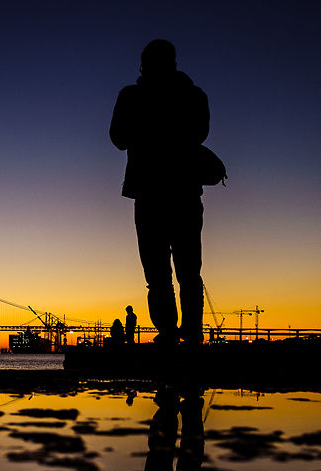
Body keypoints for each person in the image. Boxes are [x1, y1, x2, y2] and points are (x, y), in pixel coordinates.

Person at [110, 39, 209, 346]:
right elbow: (200, 134)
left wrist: (145, 127)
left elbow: (118, 138)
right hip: (184, 191)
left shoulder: (132, 96)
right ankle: (190, 333)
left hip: (150, 192)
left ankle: (168, 332)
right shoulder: (193, 95)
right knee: (187, 269)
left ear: (143, 64)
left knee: (158, 271)